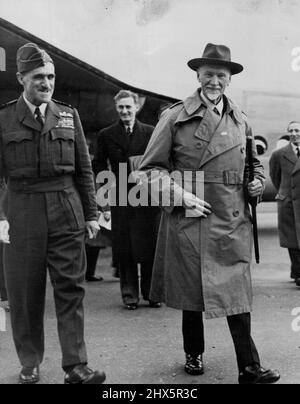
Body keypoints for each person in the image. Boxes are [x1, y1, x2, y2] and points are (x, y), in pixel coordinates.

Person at [138, 43, 280, 384]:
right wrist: (180, 194)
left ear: (229, 79)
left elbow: (253, 165)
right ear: (197, 76)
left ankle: (248, 367)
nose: (214, 81)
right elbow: (148, 171)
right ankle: (193, 353)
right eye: (208, 75)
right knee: (192, 292)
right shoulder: (174, 116)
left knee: (237, 293)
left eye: (220, 75)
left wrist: (257, 183)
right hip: (192, 216)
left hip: (231, 218)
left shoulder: (241, 119)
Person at [0, 43, 105, 384]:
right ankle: (30, 361)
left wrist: (91, 214)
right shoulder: (3, 118)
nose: (47, 83)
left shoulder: (67, 114)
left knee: (71, 290)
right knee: (25, 293)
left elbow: (84, 170)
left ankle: (76, 365)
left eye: (51, 77)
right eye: (38, 77)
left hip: (66, 208)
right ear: (21, 79)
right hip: (22, 210)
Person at [93, 90, 161, 310]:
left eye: (128, 107)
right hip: (121, 198)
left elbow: (158, 162)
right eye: (121, 107)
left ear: (136, 107)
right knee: (125, 249)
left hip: (147, 197)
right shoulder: (106, 135)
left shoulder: (151, 133)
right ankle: (129, 296)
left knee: (150, 246)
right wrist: (107, 191)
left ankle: (152, 294)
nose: (124, 111)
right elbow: (99, 165)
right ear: (116, 108)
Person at [269, 121, 300, 286]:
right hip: (288, 202)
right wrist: (285, 192)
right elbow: (275, 177)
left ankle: (297, 272)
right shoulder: (279, 154)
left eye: (297, 130)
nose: (294, 133)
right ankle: (298, 273)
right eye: (291, 130)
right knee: (292, 239)